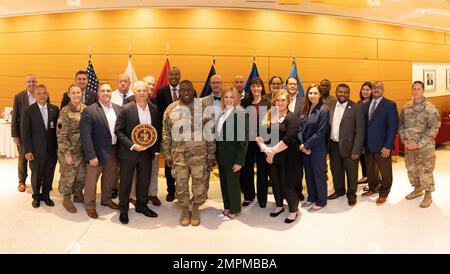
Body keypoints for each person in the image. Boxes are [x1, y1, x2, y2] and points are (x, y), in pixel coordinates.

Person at [161, 80, 216, 226]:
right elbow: (166, 133)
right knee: (181, 182)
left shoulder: (203, 107)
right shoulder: (171, 109)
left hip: (200, 154)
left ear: (193, 91)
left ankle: (196, 207)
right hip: (178, 154)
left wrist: (211, 155)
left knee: (200, 182)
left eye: (188, 90)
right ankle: (185, 209)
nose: (185, 93)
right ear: (179, 92)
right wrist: (166, 154)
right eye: (183, 90)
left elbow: (210, 132)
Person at [114, 81, 161, 224]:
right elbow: (118, 131)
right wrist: (132, 145)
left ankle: (141, 205)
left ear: (149, 92)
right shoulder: (126, 109)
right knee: (126, 182)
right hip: (129, 152)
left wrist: (155, 151)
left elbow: (156, 131)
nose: (142, 93)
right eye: (139, 90)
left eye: (145, 90)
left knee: (144, 180)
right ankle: (123, 209)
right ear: (134, 92)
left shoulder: (154, 109)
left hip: (146, 153)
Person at [257, 90, 301, 223]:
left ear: (288, 102)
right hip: (272, 156)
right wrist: (265, 149)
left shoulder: (292, 117)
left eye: (283, 100)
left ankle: (293, 209)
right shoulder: (269, 115)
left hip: (287, 157)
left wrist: (271, 152)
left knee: (287, 184)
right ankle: (279, 205)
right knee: (275, 183)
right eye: (277, 100)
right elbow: (259, 135)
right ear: (274, 101)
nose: (280, 103)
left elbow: (289, 139)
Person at [80, 82, 120, 219]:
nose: (106, 93)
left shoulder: (118, 109)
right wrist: (91, 155)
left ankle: (106, 199)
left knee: (109, 178)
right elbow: (85, 135)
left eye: (108, 90)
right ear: (98, 93)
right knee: (91, 181)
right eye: (103, 90)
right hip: (96, 152)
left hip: (113, 150)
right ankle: (89, 205)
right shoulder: (89, 110)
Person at [399, 81, 440, 208]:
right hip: (409, 146)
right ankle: (418, 189)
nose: (416, 91)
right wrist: (403, 140)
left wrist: (418, 144)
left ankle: (428, 194)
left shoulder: (430, 109)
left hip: (424, 148)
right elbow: (400, 125)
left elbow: (433, 129)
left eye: (418, 89)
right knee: (412, 169)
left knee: (425, 170)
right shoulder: (406, 108)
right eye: (414, 89)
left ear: (423, 91)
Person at [21, 84, 59, 208]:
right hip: (36, 150)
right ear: (35, 96)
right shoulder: (28, 111)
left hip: (51, 150)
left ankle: (46, 195)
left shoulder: (55, 109)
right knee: (36, 174)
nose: (42, 96)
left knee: (49, 173)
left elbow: (58, 130)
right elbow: (25, 133)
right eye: (39, 94)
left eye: (44, 93)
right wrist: (27, 150)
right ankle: (36, 196)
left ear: (47, 95)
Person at [326, 84, 365, 206]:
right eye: (340, 92)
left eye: (345, 92)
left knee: (352, 172)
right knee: (336, 170)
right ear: (336, 92)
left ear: (349, 93)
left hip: (350, 147)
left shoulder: (356, 107)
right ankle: (339, 190)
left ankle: (351, 194)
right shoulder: (330, 106)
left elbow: (360, 131)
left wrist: (356, 150)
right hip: (333, 145)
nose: (343, 94)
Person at [361, 81, 398, 205]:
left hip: (383, 146)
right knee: (370, 170)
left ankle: (384, 192)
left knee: (385, 171)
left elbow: (393, 127)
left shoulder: (390, 105)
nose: (376, 89)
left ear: (383, 90)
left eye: (379, 87)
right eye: (374, 87)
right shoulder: (367, 104)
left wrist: (388, 146)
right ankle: (373, 188)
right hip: (368, 145)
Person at [216, 87, 248, 220]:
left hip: (233, 157)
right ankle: (227, 207)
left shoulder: (240, 114)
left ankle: (234, 209)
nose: (228, 100)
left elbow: (243, 140)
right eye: (226, 97)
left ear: (236, 99)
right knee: (224, 183)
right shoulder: (222, 114)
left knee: (233, 184)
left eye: (231, 97)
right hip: (222, 156)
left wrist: (239, 161)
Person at [240, 77, 270, 208]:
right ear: (250, 88)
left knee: (262, 170)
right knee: (247, 169)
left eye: (258, 86)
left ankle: (262, 198)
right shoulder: (244, 102)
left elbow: (272, 123)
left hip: (263, 141)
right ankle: (249, 196)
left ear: (262, 87)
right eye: (253, 86)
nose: (256, 89)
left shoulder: (269, 103)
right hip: (248, 141)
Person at [298, 84, 329, 211]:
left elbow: (321, 132)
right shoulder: (305, 108)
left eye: (315, 93)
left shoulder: (324, 110)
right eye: (310, 93)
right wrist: (302, 145)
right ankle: (311, 197)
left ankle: (321, 200)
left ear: (320, 95)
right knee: (309, 175)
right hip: (304, 148)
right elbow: (299, 128)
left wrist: (306, 145)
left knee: (318, 174)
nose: (313, 95)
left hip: (317, 149)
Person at [57, 85, 87, 213]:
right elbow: (61, 134)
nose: (76, 95)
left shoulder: (85, 109)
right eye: (73, 93)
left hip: (82, 150)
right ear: (69, 95)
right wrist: (67, 154)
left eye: (78, 92)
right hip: (69, 151)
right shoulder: (65, 111)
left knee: (82, 175)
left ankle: (78, 193)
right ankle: (66, 197)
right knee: (68, 175)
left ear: (81, 94)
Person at [156, 67, 181, 202]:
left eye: (176, 74)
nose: (173, 76)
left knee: (183, 163)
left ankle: (182, 189)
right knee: (169, 163)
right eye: (171, 74)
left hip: (184, 136)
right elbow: (160, 114)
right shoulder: (161, 92)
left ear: (180, 76)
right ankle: (171, 191)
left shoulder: (188, 90)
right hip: (168, 135)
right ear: (168, 76)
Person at [12, 74, 37, 192]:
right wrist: (15, 134)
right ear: (25, 83)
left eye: (33, 81)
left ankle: (37, 179)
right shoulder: (19, 97)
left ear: (36, 82)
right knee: (22, 158)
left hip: (37, 135)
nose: (31, 84)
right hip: (22, 134)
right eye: (29, 82)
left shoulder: (42, 95)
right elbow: (15, 117)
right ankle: (22, 180)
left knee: (36, 158)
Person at [285, 76, 305, 201]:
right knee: (285, 167)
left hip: (297, 139)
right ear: (286, 85)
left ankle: (298, 191)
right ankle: (286, 191)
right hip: (283, 139)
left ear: (297, 86)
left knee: (298, 168)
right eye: (290, 84)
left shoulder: (303, 101)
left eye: (294, 84)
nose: (292, 86)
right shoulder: (280, 100)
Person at [142, 75, 161, 206]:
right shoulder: (131, 101)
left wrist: (157, 148)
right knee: (138, 172)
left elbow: (158, 126)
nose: (151, 87)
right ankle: (136, 195)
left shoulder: (155, 103)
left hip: (153, 144)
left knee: (154, 171)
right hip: (137, 145)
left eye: (153, 85)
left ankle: (153, 194)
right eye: (149, 84)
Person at [357, 81, 373, 185]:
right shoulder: (358, 103)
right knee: (362, 156)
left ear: (371, 91)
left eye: (368, 89)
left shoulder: (373, 103)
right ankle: (365, 176)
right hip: (360, 134)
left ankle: (373, 179)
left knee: (370, 158)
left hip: (369, 135)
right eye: (363, 89)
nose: (365, 92)